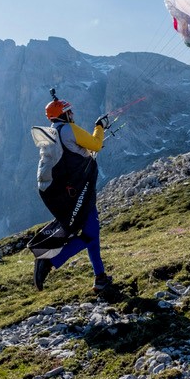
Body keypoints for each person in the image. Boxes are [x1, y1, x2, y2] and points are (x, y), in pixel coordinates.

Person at [34, 95, 113, 294]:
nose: (72, 114)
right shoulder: (68, 129)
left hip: (63, 193)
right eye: (69, 111)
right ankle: (49, 261)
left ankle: (100, 278)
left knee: (92, 232)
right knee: (90, 234)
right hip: (79, 192)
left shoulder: (52, 134)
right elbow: (96, 144)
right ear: (63, 114)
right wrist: (100, 127)